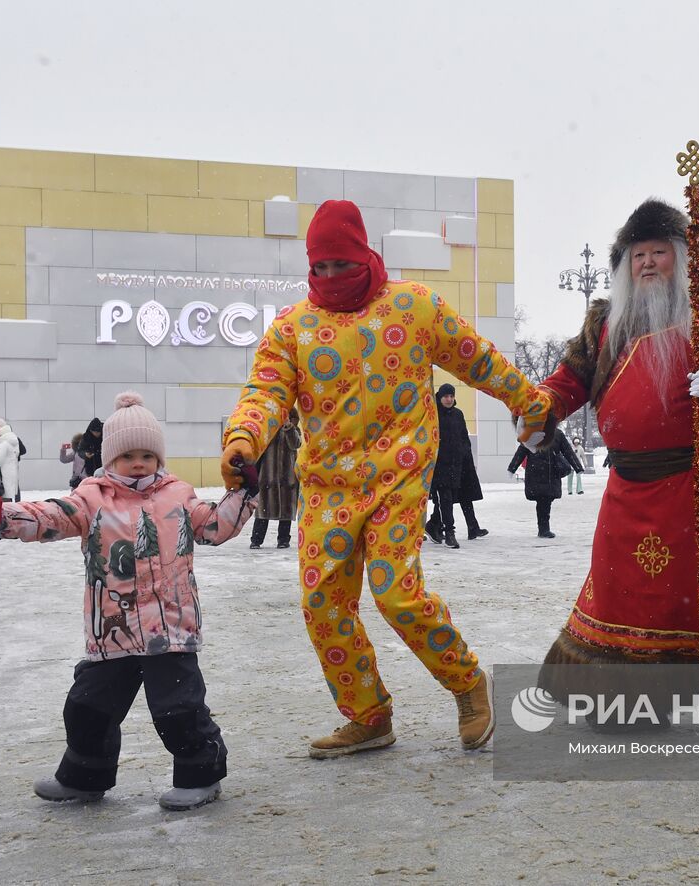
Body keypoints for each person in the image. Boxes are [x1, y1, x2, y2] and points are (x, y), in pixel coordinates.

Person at [219, 200, 552, 758]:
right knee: (322, 603)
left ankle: (469, 684)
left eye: (340, 265)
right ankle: (369, 715)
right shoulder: (292, 329)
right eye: (319, 267)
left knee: (396, 593)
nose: (330, 278)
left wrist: (526, 398)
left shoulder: (413, 307)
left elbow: (478, 358)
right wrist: (243, 439)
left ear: (364, 253)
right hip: (327, 486)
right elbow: (266, 392)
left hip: (399, 474)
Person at [535, 198, 699, 724]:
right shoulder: (605, 323)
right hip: (627, 490)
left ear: (682, 257)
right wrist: (540, 410)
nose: (647, 262)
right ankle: (626, 701)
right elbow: (568, 382)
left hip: (695, 483)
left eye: (658, 252)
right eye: (637, 254)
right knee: (625, 596)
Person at [0, 393, 256, 811]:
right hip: (112, 631)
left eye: (146, 454)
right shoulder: (92, 497)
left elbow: (214, 526)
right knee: (87, 708)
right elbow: (49, 515)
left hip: (169, 629)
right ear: (109, 459)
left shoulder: (178, 494)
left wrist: (244, 491)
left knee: (178, 710)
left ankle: (201, 772)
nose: (138, 463)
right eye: (127, 455)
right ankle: (85, 775)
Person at [426, 383, 488, 547]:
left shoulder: (458, 414)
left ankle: (433, 526)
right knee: (444, 499)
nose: (449, 399)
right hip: (439, 466)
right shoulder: (433, 415)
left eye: (451, 396)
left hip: (456, 465)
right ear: (440, 397)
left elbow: (464, 437)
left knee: (447, 500)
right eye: (446, 396)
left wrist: (465, 454)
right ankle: (449, 533)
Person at [507, 428, 581, 539]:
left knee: (545, 501)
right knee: (543, 501)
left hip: (547, 473)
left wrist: (577, 466)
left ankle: (543, 529)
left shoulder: (553, 433)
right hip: (539, 473)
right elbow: (522, 450)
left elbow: (567, 451)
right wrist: (512, 468)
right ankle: (544, 529)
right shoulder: (537, 433)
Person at [251, 409, 302, 549]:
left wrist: (288, 427)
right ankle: (256, 539)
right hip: (268, 476)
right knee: (263, 510)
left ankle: (283, 540)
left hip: (288, 479)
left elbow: (296, 444)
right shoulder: (267, 428)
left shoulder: (293, 429)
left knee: (286, 512)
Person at [0, 418, 22, 502]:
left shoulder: (3, 445)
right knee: (9, 497)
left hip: (2, 476)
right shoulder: (14, 443)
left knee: (3, 498)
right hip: (11, 475)